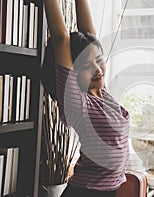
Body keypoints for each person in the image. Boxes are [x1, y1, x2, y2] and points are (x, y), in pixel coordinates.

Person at [43, 0, 130, 196]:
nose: (97, 70)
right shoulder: (77, 103)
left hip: (108, 190)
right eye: (86, 67)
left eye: (99, 60)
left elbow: (90, 38)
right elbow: (61, 38)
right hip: (86, 192)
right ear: (72, 75)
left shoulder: (102, 93)